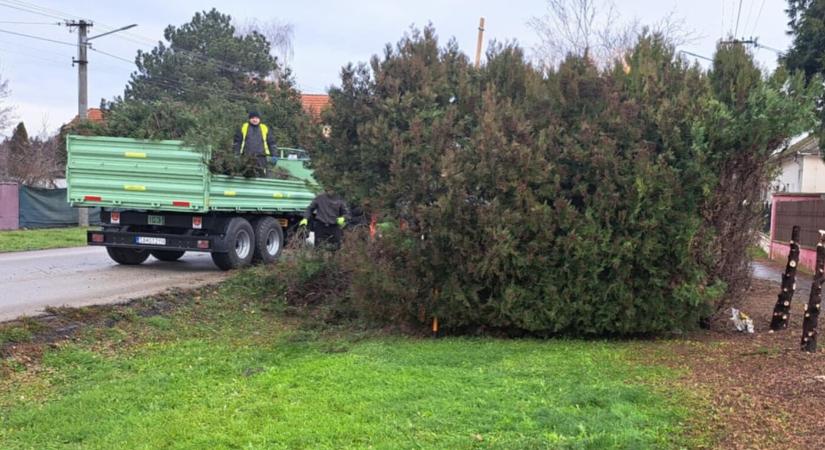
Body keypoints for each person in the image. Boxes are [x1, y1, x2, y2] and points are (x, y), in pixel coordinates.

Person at [232, 111, 277, 176]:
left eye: (256, 118)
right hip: (246, 157)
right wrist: (236, 154)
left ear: (259, 119)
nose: (255, 120)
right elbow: (237, 142)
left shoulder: (264, 128)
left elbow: (272, 143)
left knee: (262, 176)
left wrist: (274, 155)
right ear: (249, 119)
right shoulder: (243, 127)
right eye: (253, 118)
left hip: (261, 158)